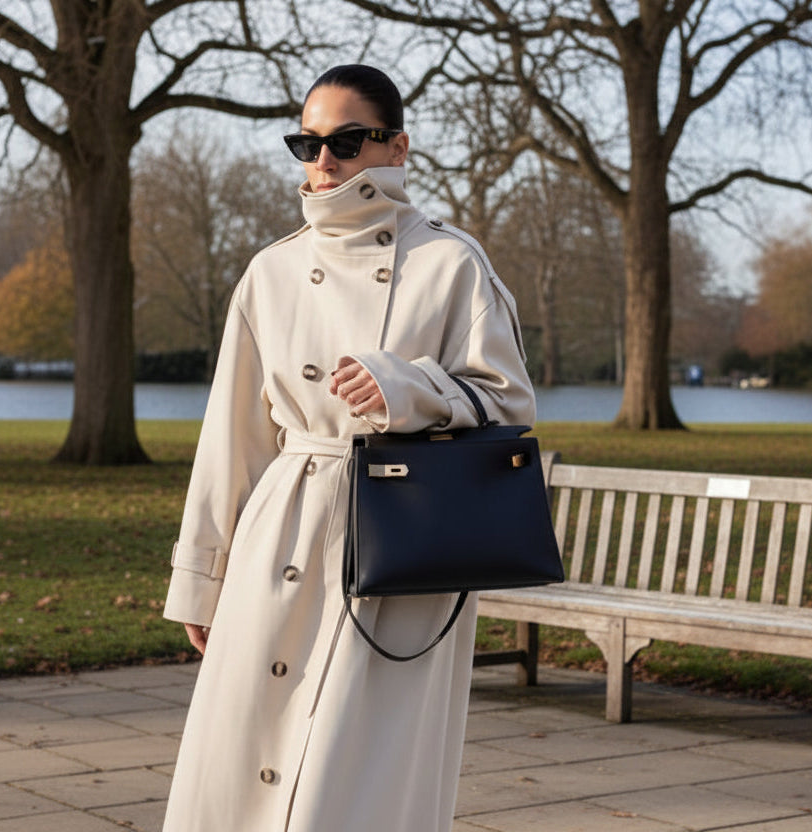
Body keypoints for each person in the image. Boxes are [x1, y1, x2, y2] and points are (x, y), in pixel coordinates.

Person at [161, 64, 535, 832]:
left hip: (402, 551)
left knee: (358, 775)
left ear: (396, 147)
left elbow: (508, 402)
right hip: (281, 534)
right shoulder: (269, 271)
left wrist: (406, 387)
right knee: (244, 753)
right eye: (308, 143)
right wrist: (202, 576)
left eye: (347, 140)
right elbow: (232, 437)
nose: (324, 160)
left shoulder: (451, 262)